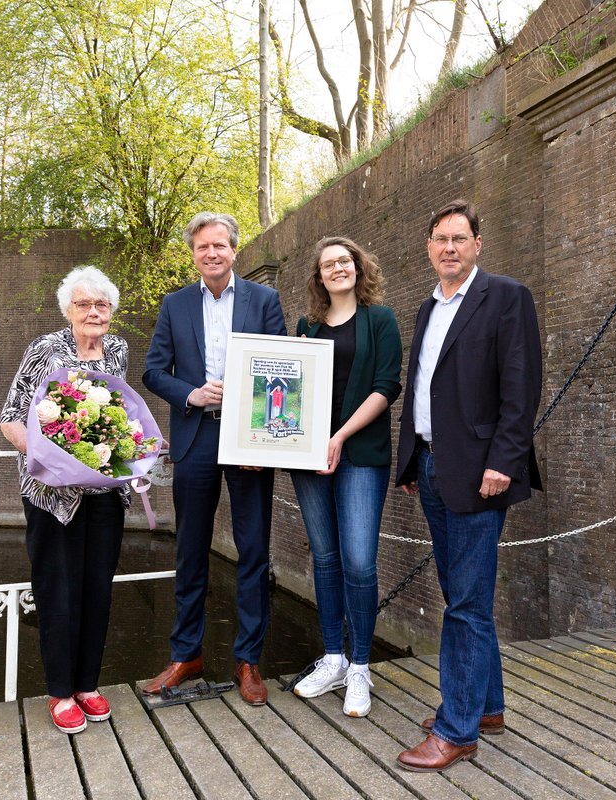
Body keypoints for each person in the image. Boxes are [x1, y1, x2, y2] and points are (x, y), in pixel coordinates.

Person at [393, 200, 542, 771]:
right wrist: (411, 461)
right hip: (432, 466)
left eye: (459, 238)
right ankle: (485, 707)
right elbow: (421, 388)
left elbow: (520, 386)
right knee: (463, 594)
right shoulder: (427, 309)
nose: (448, 248)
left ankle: (456, 731)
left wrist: (505, 460)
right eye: (439, 239)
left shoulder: (506, 297)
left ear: (478, 243)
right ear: (429, 249)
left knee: (467, 603)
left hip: (482, 471)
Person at [142, 211, 287, 705]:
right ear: (194, 253)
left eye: (220, 245)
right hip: (196, 436)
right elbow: (154, 372)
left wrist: (261, 434)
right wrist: (192, 394)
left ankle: (248, 661)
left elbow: (279, 372)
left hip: (248, 439)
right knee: (190, 550)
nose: (212, 253)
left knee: (252, 551)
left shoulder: (265, 300)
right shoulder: (175, 305)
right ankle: (187, 654)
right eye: (203, 246)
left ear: (233, 249)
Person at [0, 266, 129, 734]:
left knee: (97, 588)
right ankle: (60, 692)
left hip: (104, 495)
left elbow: (118, 413)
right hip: (53, 495)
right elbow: (11, 417)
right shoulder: (46, 350)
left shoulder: (117, 350)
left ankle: (88, 685)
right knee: (58, 590)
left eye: (101, 305)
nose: (93, 312)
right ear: (67, 310)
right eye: (83, 304)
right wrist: (50, 457)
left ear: (111, 312)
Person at [289, 236, 402, 717]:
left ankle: (360, 666)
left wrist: (339, 436)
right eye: (328, 264)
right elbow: (290, 388)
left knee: (359, 561)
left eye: (345, 261)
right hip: (308, 456)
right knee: (326, 557)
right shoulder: (306, 326)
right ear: (318, 276)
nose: (338, 268)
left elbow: (386, 387)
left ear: (358, 266)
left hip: (359, 452)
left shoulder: (381, 320)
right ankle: (333, 657)